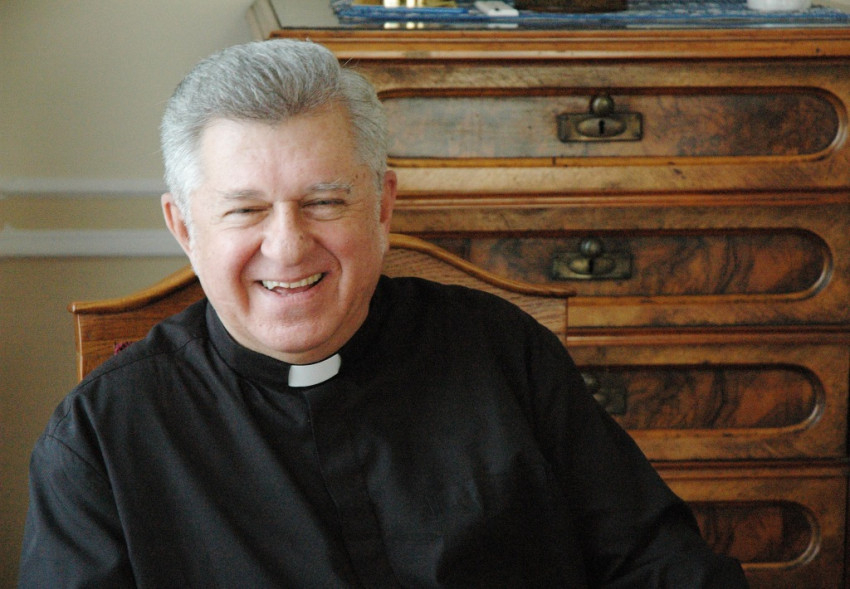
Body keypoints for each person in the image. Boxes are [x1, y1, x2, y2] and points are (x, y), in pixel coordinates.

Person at [19, 39, 748, 587]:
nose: (287, 246)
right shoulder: (99, 438)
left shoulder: (504, 353)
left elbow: (660, 564)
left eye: (324, 201)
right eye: (246, 210)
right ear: (184, 227)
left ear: (382, 207)